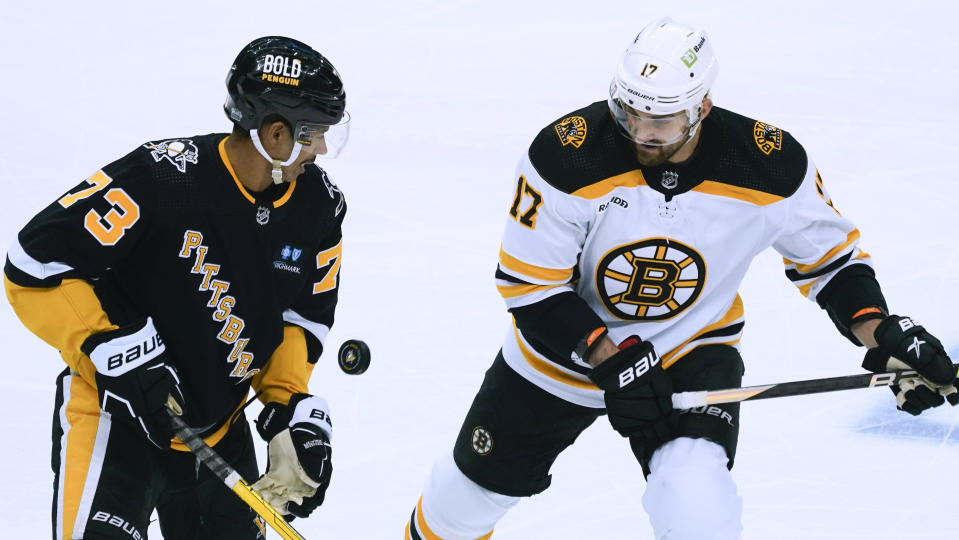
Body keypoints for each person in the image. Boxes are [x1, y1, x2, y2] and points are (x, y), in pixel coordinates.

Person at [405, 17, 958, 540]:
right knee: (461, 505)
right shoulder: (565, 157)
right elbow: (531, 287)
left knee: (697, 506)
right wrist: (606, 355)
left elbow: (832, 262)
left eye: (661, 120)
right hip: (559, 358)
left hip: (689, 352)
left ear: (702, 107)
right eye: (628, 114)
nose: (641, 133)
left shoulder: (769, 166)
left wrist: (878, 330)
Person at [5, 36, 351, 539]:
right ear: (276, 134)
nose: (321, 149)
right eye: (315, 133)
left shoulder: (319, 208)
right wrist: (115, 349)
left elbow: (300, 316)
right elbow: (34, 264)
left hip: (220, 436)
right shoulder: (163, 178)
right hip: (115, 422)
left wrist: (287, 407)